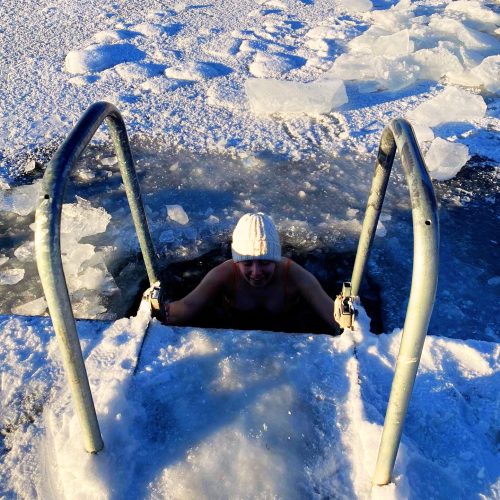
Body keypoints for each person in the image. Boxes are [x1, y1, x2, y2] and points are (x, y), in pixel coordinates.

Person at [147, 213, 343, 334]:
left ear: (275, 259)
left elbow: (332, 315)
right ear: (237, 260)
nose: (256, 272)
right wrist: (155, 310)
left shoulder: (296, 276)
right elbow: (188, 307)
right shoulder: (223, 274)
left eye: (265, 262)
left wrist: (346, 318)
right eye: (247, 263)